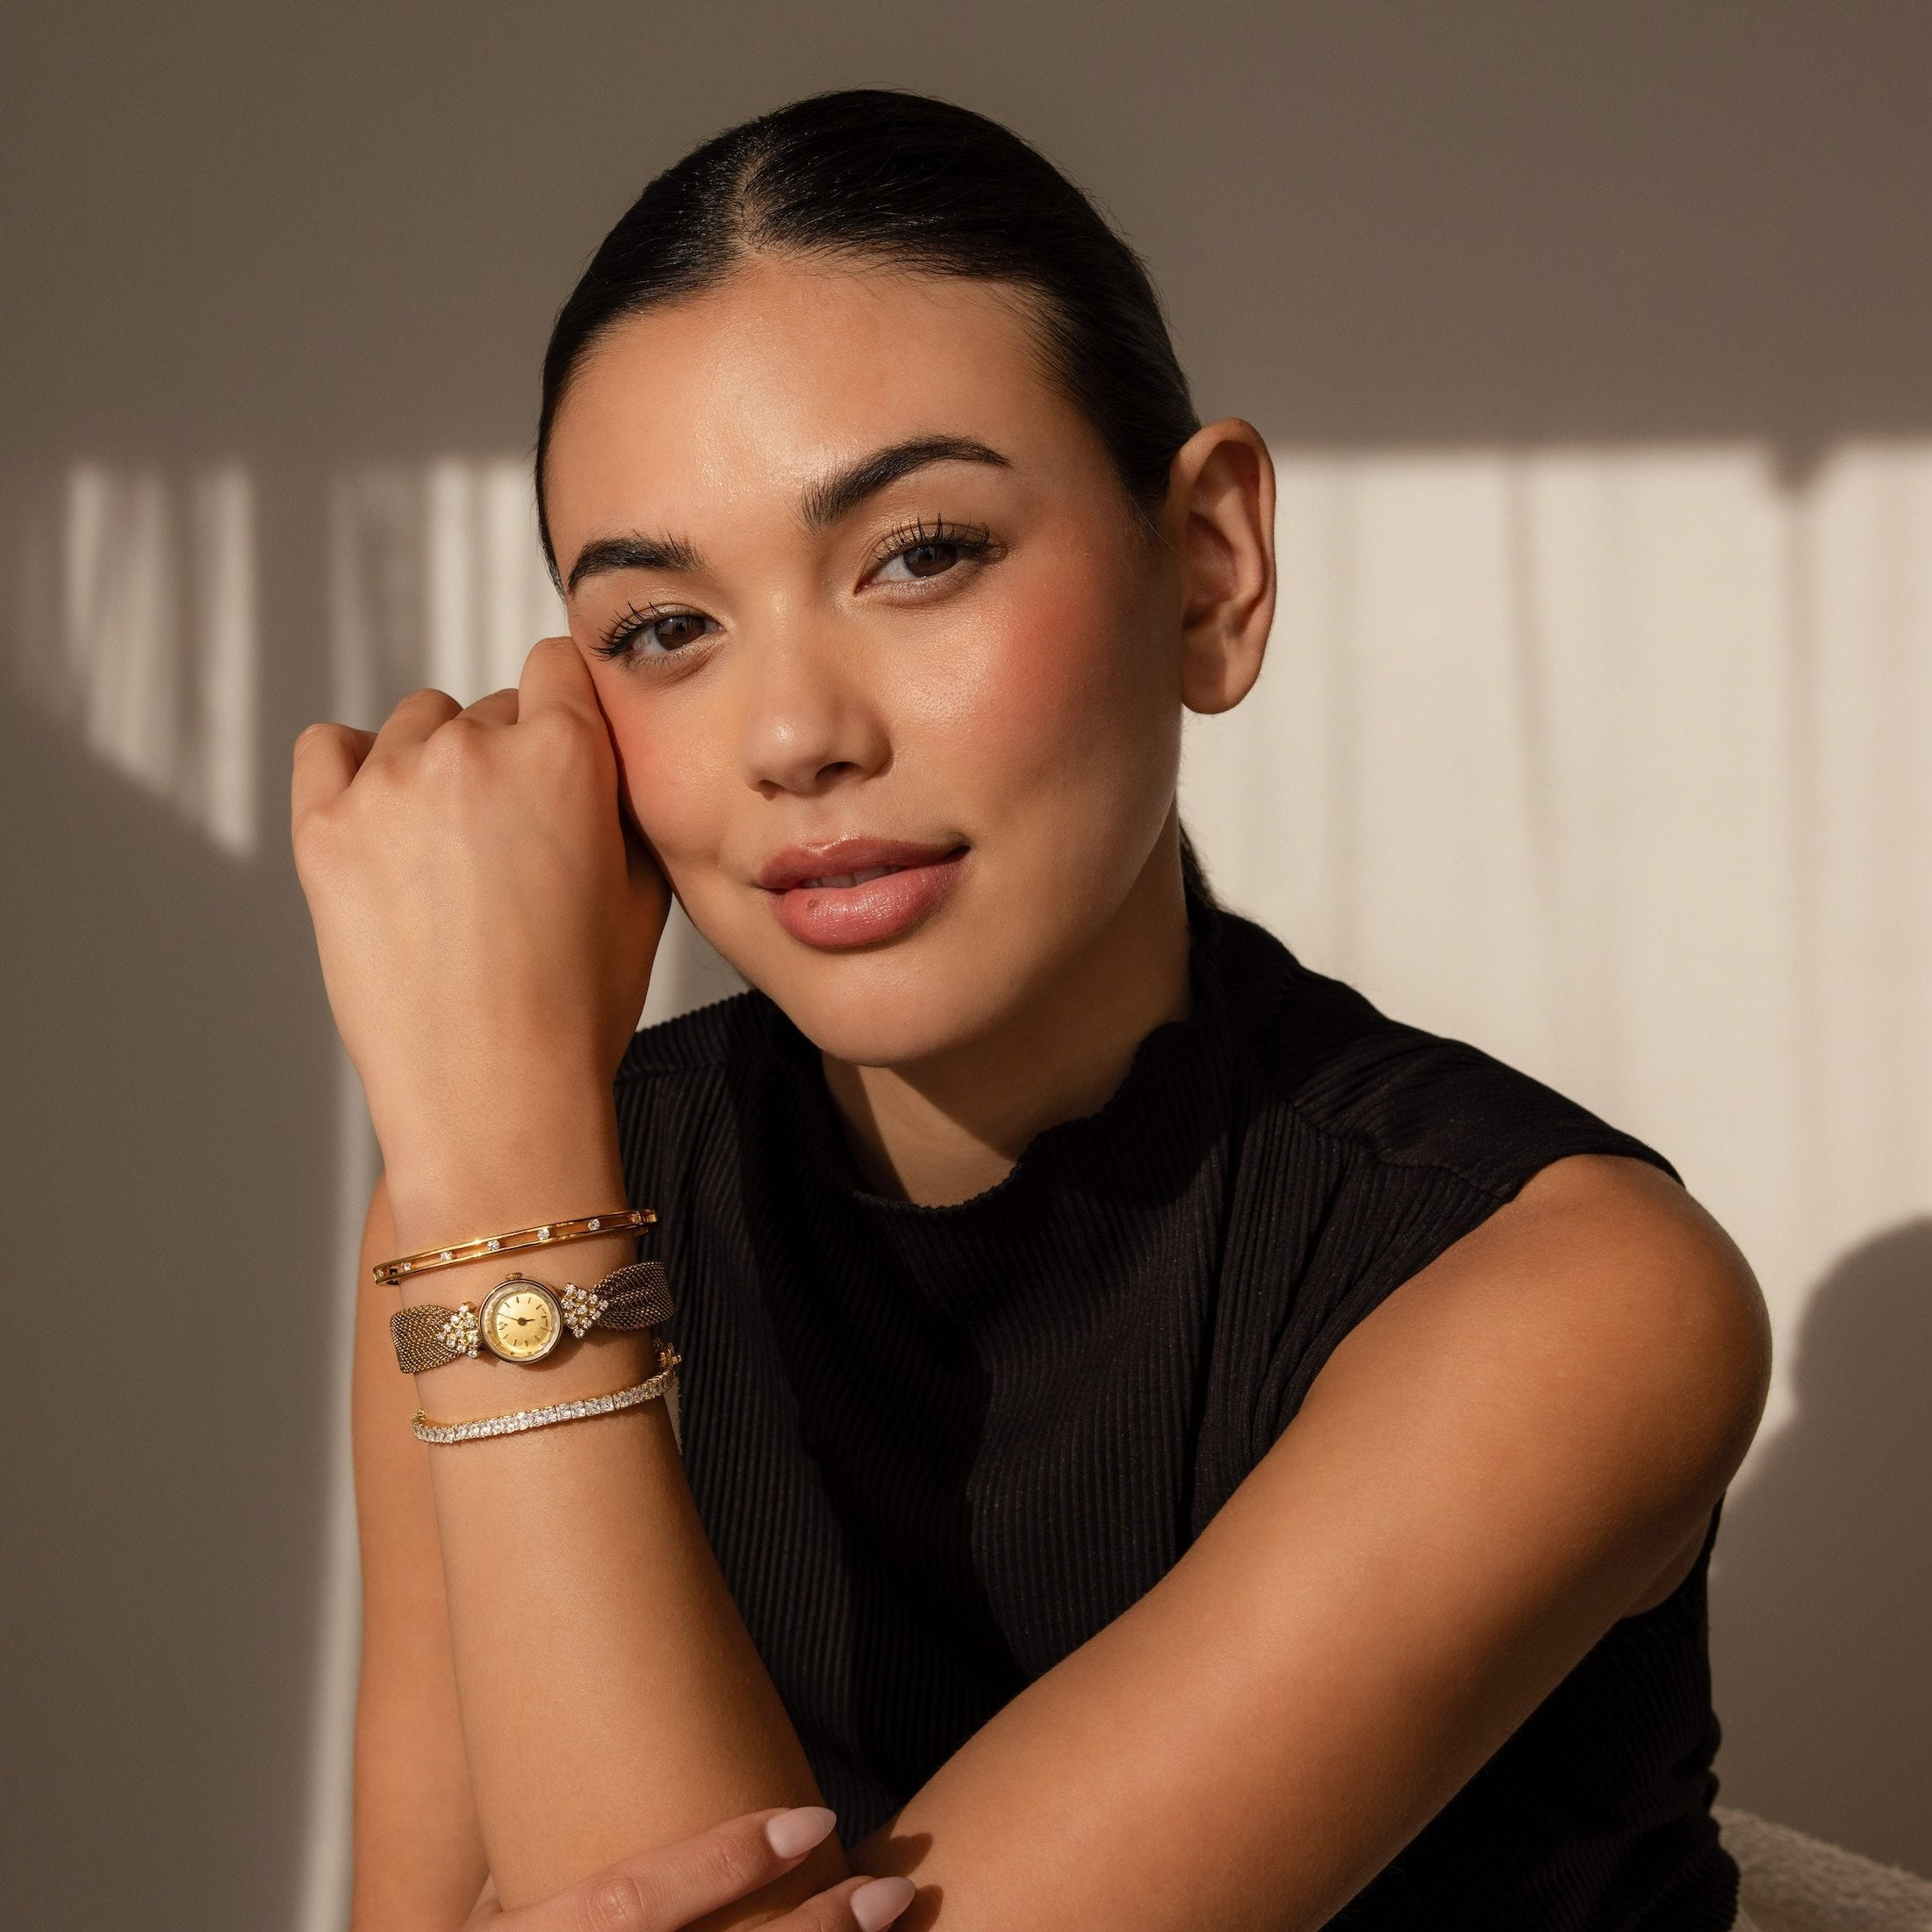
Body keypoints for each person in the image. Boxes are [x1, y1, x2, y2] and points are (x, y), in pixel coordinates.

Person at [291, 90, 1772, 1932]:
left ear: (1211, 567)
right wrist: (499, 1162)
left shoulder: (1575, 1298)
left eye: (922, 554)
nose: (793, 735)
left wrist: (502, 1178)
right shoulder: (504, 1186)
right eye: (666, 628)